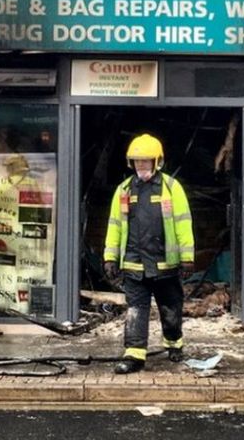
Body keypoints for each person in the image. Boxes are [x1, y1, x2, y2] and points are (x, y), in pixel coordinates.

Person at [103, 134, 194, 375]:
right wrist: (110, 258)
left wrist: (187, 258)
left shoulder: (172, 189)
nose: (141, 166)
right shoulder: (123, 190)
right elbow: (114, 225)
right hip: (134, 264)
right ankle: (134, 355)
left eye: (146, 161)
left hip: (166, 265)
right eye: (137, 162)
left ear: (157, 162)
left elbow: (183, 224)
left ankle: (174, 344)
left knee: (170, 308)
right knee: (136, 309)